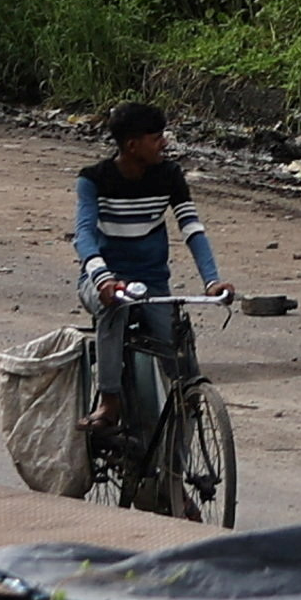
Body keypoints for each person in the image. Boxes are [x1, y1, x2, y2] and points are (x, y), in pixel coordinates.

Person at [72, 103, 226, 462]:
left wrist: (212, 280)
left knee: (183, 366)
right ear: (131, 145)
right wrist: (103, 277)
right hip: (102, 281)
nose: (164, 144)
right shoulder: (93, 179)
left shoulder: (169, 176)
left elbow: (192, 229)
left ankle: (175, 470)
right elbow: (83, 235)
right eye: (156, 138)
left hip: (153, 284)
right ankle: (109, 400)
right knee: (114, 307)